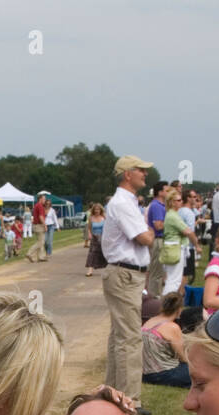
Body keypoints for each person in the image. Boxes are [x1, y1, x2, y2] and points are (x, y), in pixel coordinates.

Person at [100, 155, 156, 401]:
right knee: (130, 338)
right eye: (140, 170)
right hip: (124, 273)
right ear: (127, 174)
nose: (145, 174)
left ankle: (113, 391)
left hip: (126, 273)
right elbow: (145, 238)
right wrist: (150, 232)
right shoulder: (123, 203)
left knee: (121, 336)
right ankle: (129, 398)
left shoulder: (126, 202)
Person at [141, 295, 201, 388]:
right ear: (179, 309)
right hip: (163, 374)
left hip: (145, 374)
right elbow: (183, 357)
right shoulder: (172, 327)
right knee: (200, 369)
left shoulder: (150, 321)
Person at [160, 187, 197, 296]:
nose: (181, 202)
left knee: (174, 279)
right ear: (171, 202)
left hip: (174, 247)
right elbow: (188, 231)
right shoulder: (173, 216)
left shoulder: (173, 214)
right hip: (175, 248)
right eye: (178, 200)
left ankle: (168, 303)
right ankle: (166, 303)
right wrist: (196, 244)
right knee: (174, 280)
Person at [144, 182, 168, 298]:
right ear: (160, 192)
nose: (168, 193)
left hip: (160, 239)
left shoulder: (161, 205)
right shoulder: (157, 206)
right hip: (158, 239)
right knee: (156, 272)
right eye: (166, 190)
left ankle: (156, 295)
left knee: (159, 271)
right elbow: (158, 225)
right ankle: (154, 297)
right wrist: (171, 223)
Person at [83, 202, 106, 277]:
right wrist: (89, 234)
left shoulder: (104, 217)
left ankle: (108, 269)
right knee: (92, 253)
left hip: (102, 238)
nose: (97, 211)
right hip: (94, 237)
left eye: (98, 209)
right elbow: (89, 228)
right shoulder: (91, 217)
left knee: (104, 254)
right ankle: (90, 270)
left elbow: (107, 228)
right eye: (95, 209)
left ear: (100, 210)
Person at [25, 193, 48, 263]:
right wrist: (45, 225)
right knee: (40, 242)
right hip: (39, 225)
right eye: (44, 199)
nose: (45, 200)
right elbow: (41, 217)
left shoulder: (36, 205)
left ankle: (41, 257)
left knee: (40, 241)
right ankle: (29, 253)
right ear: (40, 199)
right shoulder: (40, 206)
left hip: (35, 225)